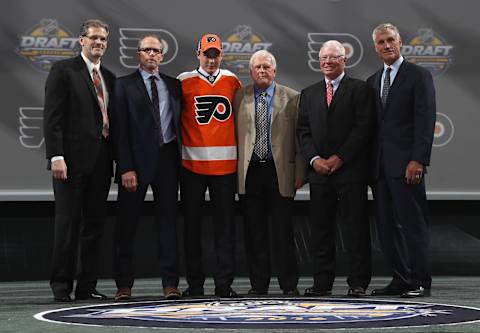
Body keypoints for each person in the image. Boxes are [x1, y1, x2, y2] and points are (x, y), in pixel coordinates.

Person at [43, 19, 115, 302]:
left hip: (100, 164)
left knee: (94, 227)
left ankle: (87, 286)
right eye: (94, 38)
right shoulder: (63, 71)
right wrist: (56, 156)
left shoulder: (108, 75)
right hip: (70, 164)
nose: (99, 43)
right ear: (81, 40)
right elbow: (53, 118)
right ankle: (62, 286)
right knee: (68, 225)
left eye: (104, 39)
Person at [297, 40, 373, 297]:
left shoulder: (360, 90)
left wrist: (339, 158)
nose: (327, 62)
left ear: (344, 60)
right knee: (320, 230)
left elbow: (364, 129)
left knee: (356, 229)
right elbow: (303, 132)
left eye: (333, 57)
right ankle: (322, 283)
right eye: (323, 58)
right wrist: (314, 160)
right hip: (319, 174)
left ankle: (358, 282)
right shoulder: (309, 93)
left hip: (350, 172)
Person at [367, 23, 436, 298]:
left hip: (407, 166)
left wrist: (418, 160)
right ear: (375, 47)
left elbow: (425, 120)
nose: (387, 45)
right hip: (380, 168)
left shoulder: (418, 76)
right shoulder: (373, 80)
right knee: (386, 227)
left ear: (401, 42)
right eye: (381, 42)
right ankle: (400, 278)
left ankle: (420, 281)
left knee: (412, 225)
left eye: (391, 40)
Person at [113, 35, 183, 301]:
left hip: (167, 161)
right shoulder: (123, 85)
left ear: (162, 56)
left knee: (168, 226)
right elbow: (119, 131)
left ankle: (171, 285)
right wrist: (126, 168)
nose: (152, 54)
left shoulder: (174, 86)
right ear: (138, 54)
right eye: (147, 50)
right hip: (135, 164)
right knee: (126, 226)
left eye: (157, 51)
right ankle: (123, 286)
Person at [234, 50, 305, 296]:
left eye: (266, 67)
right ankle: (259, 285)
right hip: (250, 173)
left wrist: (300, 173)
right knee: (255, 234)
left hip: (280, 173)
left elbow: (300, 140)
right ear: (251, 72)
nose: (262, 71)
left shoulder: (293, 98)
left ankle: (289, 285)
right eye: (257, 68)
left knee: (283, 232)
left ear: (274, 71)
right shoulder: (238, 97)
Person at [177, 34, 241, 298]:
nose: (211, 59)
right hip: (191, 166)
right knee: (192, 229)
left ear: (222, 55)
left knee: (225, 229)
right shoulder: (183, 81)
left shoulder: (232, 81)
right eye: (207, 54)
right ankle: (195, 285)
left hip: (226, 169)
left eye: (216, 54)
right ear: (198, 54)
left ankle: (224, 284)